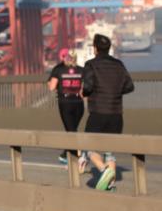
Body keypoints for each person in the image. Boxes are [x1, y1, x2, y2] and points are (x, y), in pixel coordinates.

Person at [81, 34, 134, 192]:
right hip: (116, 114)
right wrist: (116, 91)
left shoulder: (91, 65)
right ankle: (110, 185)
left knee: (88, 147)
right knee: (110, 151)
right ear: (109, 48)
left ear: (95, 48)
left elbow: (89, 87)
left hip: (98, 112)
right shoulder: (119, 64)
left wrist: (84, 92)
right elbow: (130, 86)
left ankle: (104, 171)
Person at [48, 48, 88, 171]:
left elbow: (52, 87)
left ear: (65, 58)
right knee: (72, 131)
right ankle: (66, 156)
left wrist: (56, 87)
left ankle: (80, 156)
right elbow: (84, 90)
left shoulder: (58, 70)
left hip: (65, 104)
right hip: (78, 104)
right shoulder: (82, 70)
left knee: (70, 132)